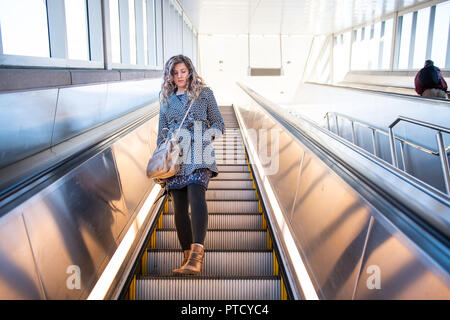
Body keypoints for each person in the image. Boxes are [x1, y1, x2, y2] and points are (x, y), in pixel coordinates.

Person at [156, 55, 225, 275]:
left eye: (183, 71)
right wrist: (162, 165)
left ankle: (197, 258)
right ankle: (186, 258)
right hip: (177, 157)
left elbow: (219, 124)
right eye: (175, 73)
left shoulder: (204, 94)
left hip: (199, 151)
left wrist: (202, 135)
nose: (179, 76)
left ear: (190, 71)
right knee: (179, 207)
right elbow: (161, 135)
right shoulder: (166, 100)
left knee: (196, 195)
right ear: (170, 75)